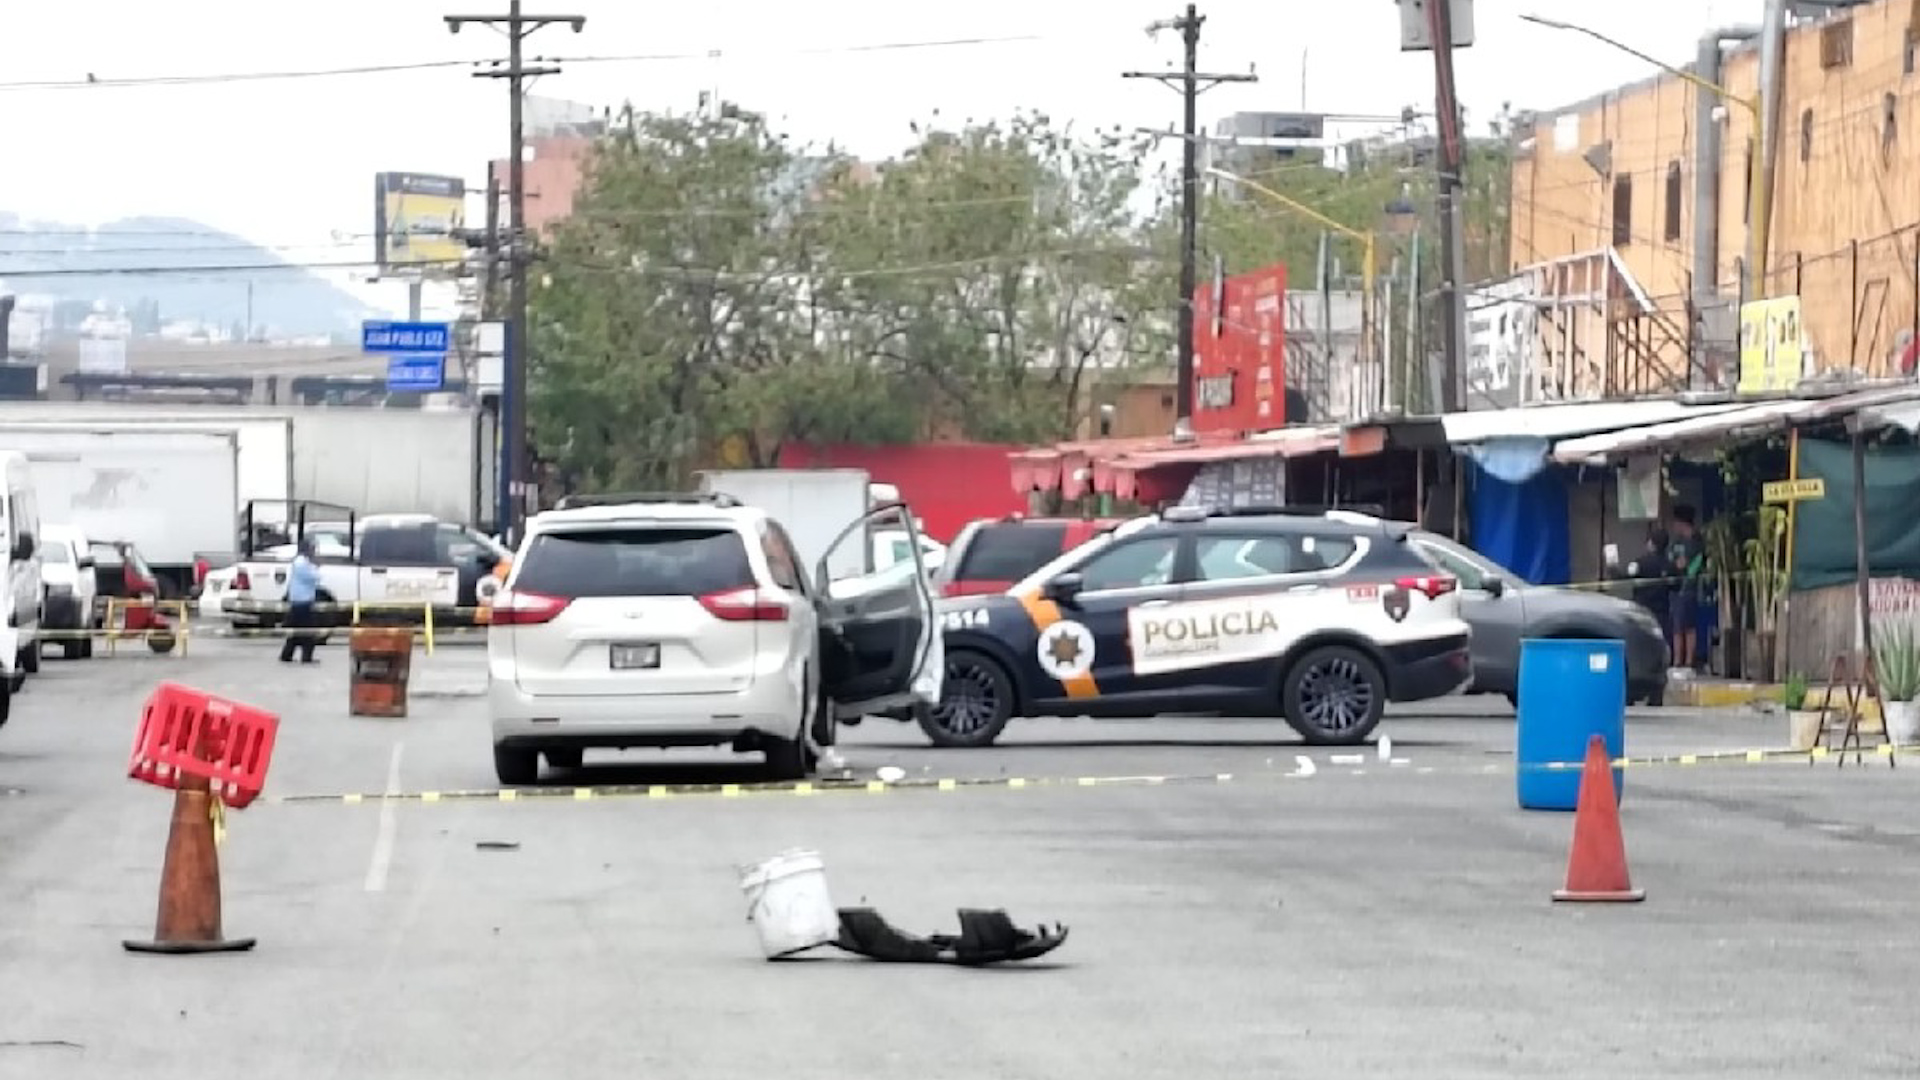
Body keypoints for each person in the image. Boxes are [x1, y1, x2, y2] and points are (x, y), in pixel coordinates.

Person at [1666, 505, 1707, 671]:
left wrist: (1686, 568)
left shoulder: (1696, 542)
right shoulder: (1675, 541)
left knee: (1688, 626)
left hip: (1688, 588)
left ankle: (1689, 660)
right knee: (1676, 626)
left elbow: (1696, 565)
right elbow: (1670, 558)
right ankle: (1677, 660)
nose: (1674, 526)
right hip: (1674, 589)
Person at [279, 538, 321, 664]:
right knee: (308, 631)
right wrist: (316, 567)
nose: (314, 552)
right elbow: (313, 577)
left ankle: (287, 655)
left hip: (301, 600)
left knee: (296, 632)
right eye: (312, 549)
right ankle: (306, 657)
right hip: (302, 601)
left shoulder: (303, 562)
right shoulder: (301, 563)